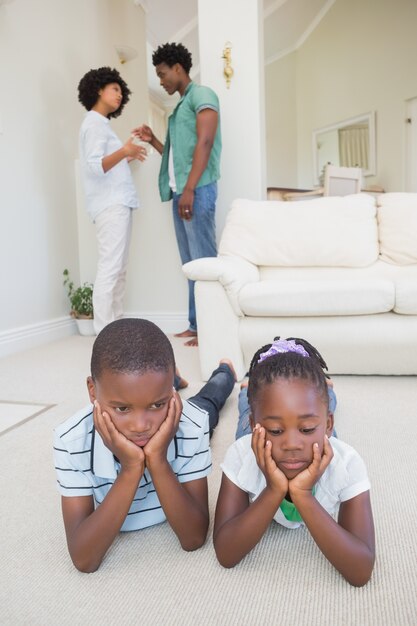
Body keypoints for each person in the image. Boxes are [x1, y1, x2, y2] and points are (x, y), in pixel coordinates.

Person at [53, 318, 235, 573]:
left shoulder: (192, 424)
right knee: (199, 403)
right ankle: (172, 385)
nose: (141, 426)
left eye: (157, 404)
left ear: (170, 396)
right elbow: (84, 559)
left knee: (209, 400)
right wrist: (131, 467)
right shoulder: (70, 441)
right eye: (122, 408)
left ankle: (225, 371)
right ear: (93, 391)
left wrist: (158, 460)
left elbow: (193, 538)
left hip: (191, 413)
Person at [213, 337, 375, 586]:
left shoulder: (347, 464)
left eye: (308, 428)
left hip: (321, 443)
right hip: (256, 437)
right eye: (276, 430)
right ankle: (247, 392)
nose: (292, 445)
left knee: (322, 408)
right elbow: (226, 553)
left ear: (327, 424)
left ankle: (328, 392)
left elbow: (361, 571)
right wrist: (274, 489)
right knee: (245, 411)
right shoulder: (241, 455)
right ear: (257, 426)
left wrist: (303, 494)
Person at [133, 43, 221, 347]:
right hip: (181, 192)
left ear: (178, 68)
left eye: (162, 74)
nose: (161, 81)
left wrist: (190, 189)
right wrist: (154, 140)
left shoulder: (202, 95)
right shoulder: (180, 106)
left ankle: (213, 328)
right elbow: (176, 156)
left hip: (195, 190)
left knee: (205, 262)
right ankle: (197, 325)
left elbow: (205, 142)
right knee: (190, 264)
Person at [77, 67, 147, 335]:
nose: (119, 94)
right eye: (115, 88)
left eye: (121, 91)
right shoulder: (93, 123)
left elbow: (108, 164)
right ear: (99, 89)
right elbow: (94, 167)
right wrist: (124, 151)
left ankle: (116, 328)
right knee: (111, 268)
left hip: (118, 202)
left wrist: (128, 154)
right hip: (110, 205)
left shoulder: (101, 125)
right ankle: (105, 333)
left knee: (119, 269)